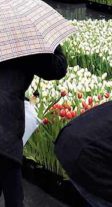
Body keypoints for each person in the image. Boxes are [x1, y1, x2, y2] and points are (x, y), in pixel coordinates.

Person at [0, 46, 68, 207]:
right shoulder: (21, 40)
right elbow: (56, 68)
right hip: (5, 126)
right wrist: (54, 46)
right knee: (12, 192)